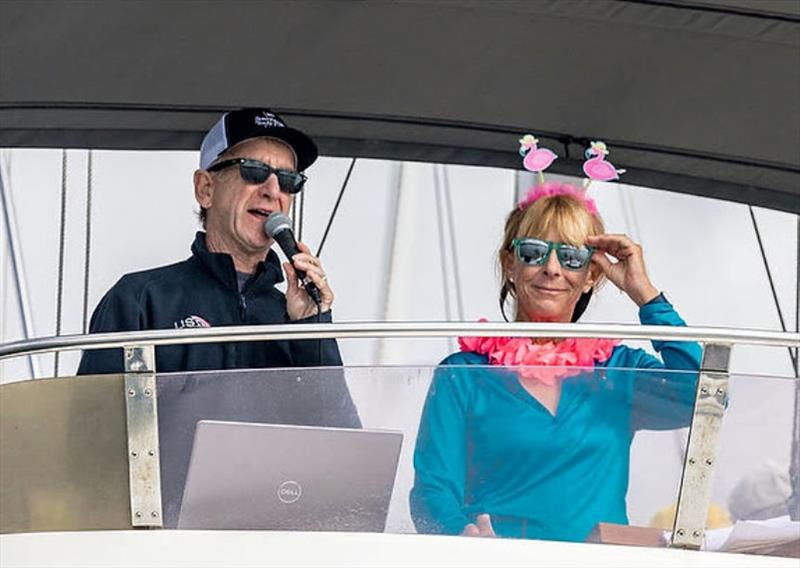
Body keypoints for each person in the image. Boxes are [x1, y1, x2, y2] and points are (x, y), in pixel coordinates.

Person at [409, 181, 702, 542]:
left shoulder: (618, 371)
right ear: (509, 263)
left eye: (572, 257)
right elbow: (431, 490)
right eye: (533, 252)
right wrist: (464, 536)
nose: (552, 268)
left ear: (591, 275)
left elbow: (704, 399)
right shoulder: (464, 373)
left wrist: (644, 293)